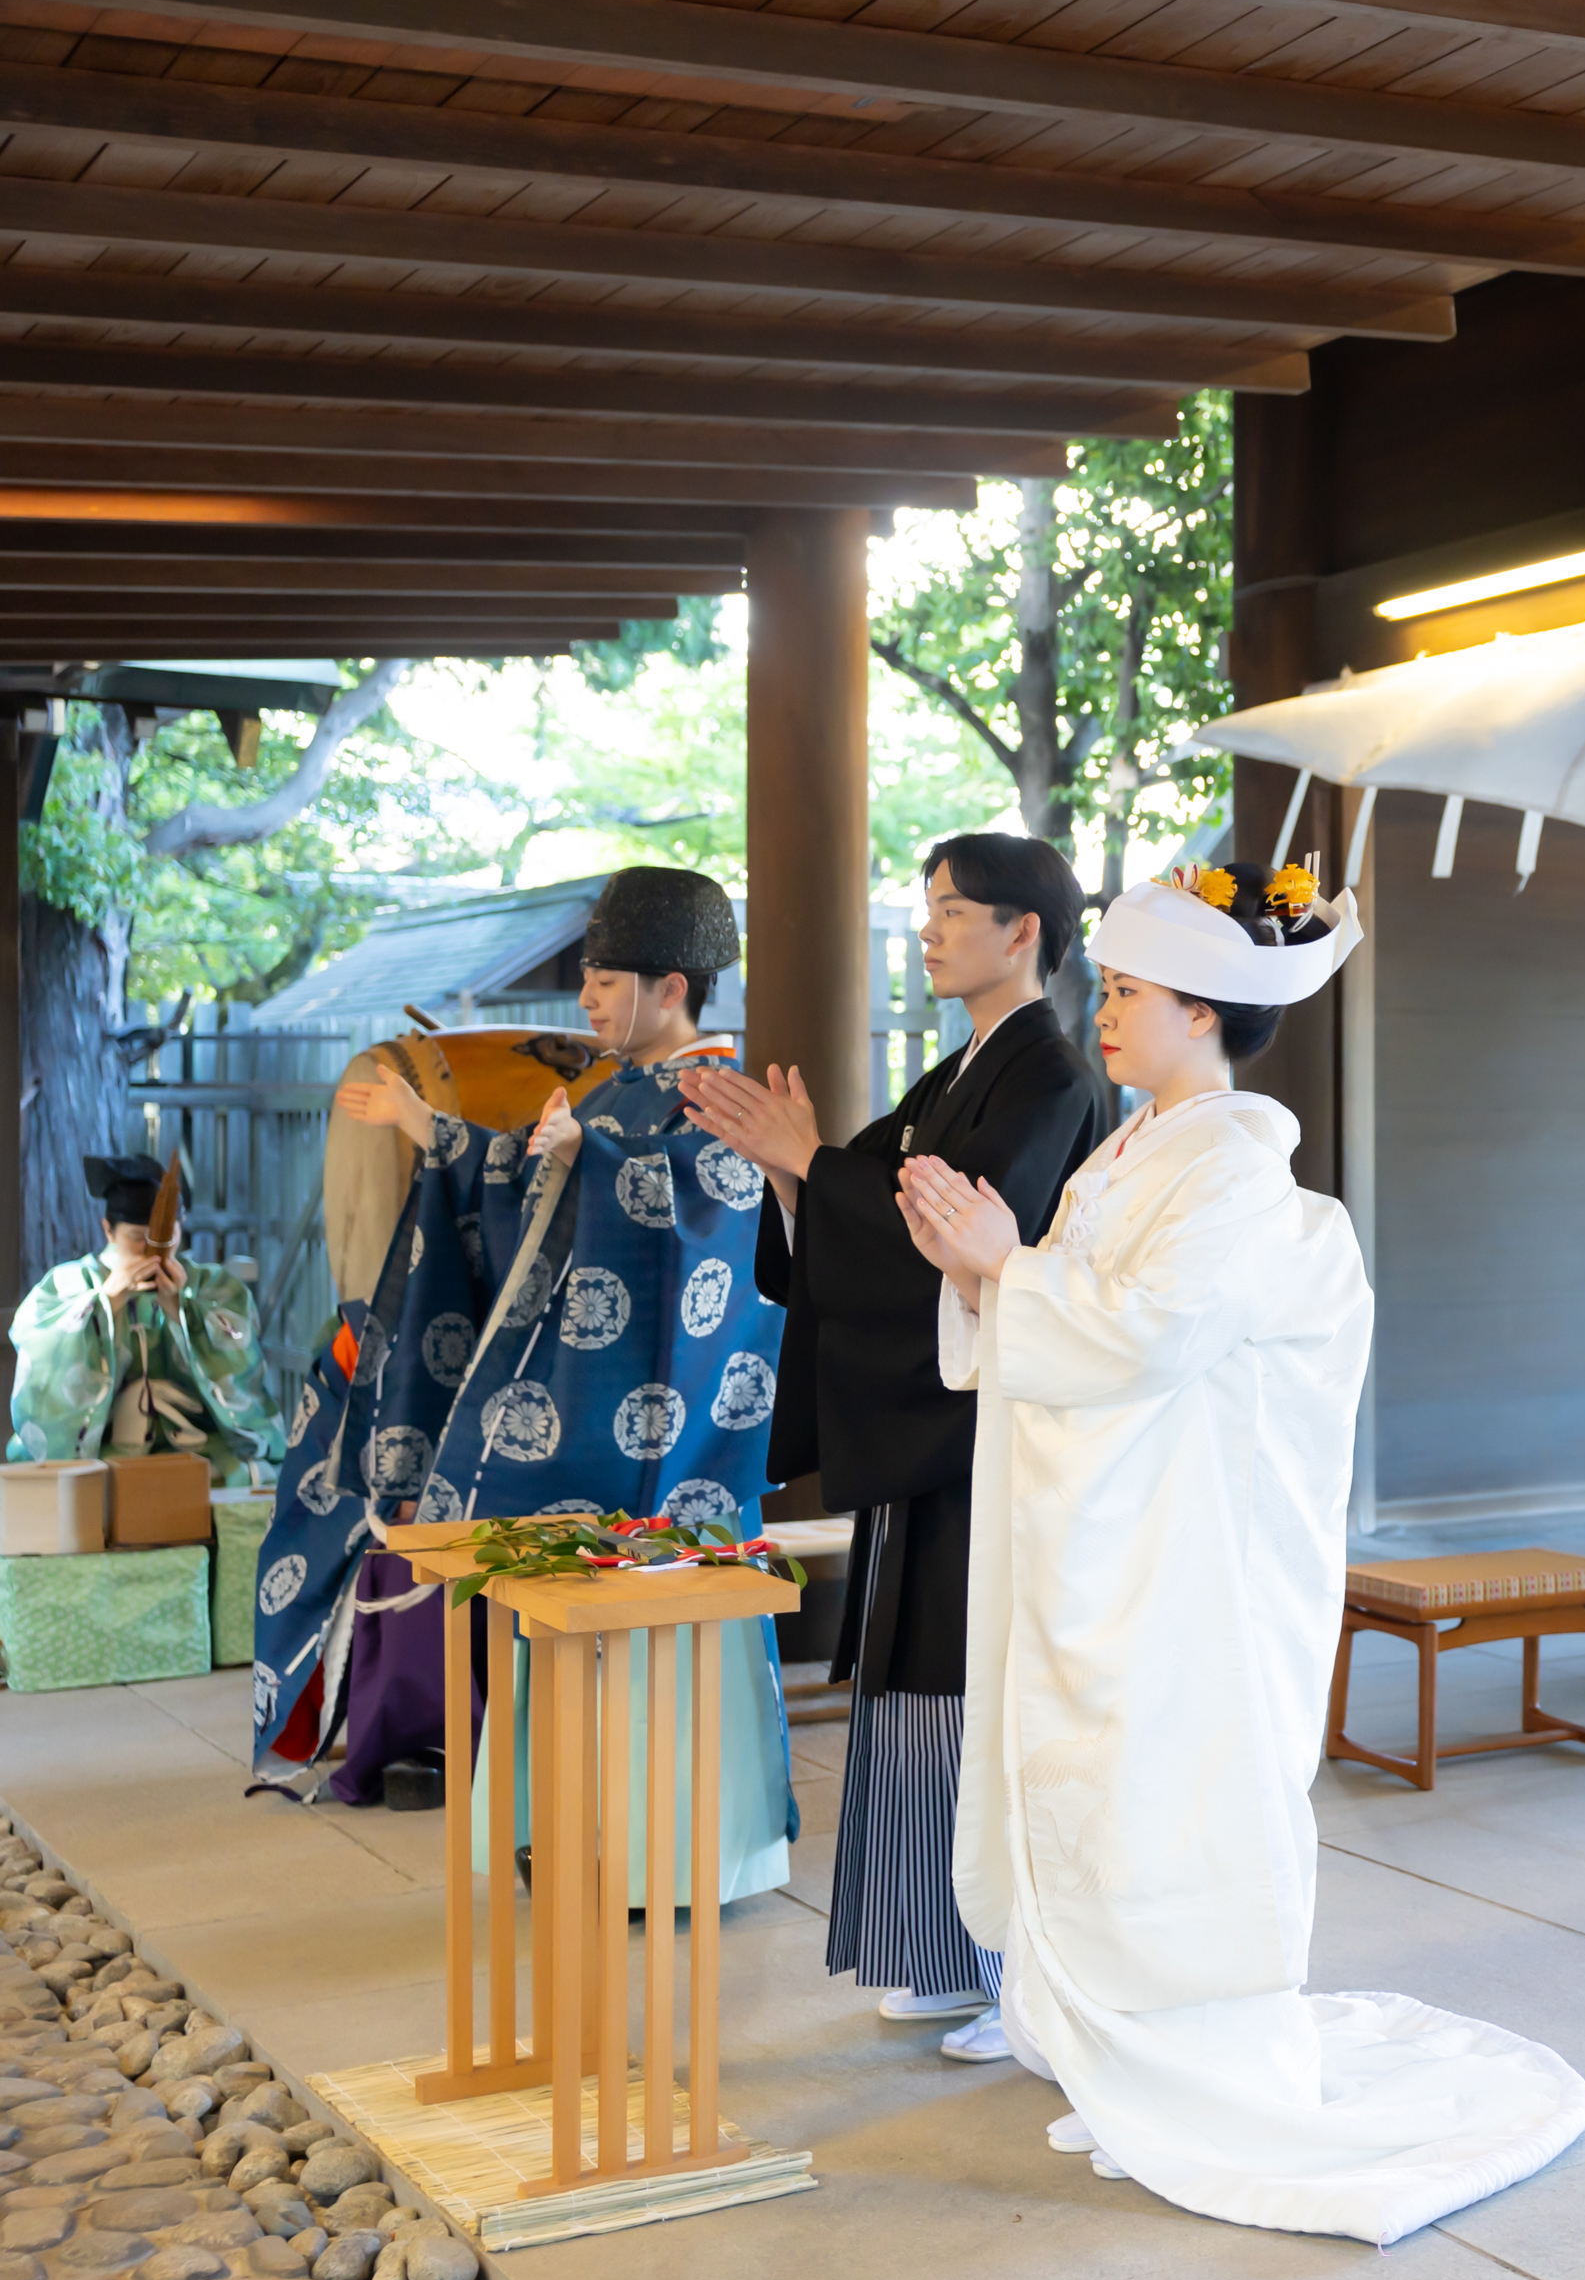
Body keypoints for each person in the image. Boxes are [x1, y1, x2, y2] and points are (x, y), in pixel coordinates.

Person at [898, 862, 1585, 2241]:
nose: (1105, 1012)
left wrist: (1003, 1266)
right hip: (1120, 1525)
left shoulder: (1226, 1162)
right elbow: (1097, 1314)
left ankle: (1182, 2054)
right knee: (1114, 1781)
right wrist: (989, 1270)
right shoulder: (1139, 1147)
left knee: (1164, 1784)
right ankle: (1108, 2038)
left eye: (1134, 992)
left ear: (1204, 1014)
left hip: (1180, 1552)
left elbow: (1150, 1334)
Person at [684, 835, 1112, 2053]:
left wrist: (808, 1167)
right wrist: (797, 1176)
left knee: (972, 1680)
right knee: (919, 1670)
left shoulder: (1052, 1079)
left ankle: (998, 1957)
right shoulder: (958, 1073)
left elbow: (973, 1244)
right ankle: (937, 1941)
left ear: (1023, 931)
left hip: (993, 1428)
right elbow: (858, 1198)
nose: (928, 932)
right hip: (939, 1434)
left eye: (951, 912)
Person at [336, 866, 798, 1903]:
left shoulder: (724, 1088)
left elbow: (712, 1219)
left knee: (636, 1600)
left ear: (670, 986)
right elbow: (529, 1183)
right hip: (598, 1401)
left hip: (673, 1438)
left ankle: (675, 1855)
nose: (586, 1002)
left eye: (603, 981)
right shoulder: (621, 1087)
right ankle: (572, 1834)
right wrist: (435, 1134)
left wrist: (596, 1162)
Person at [10, 1154, 281, 1481]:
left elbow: (242, 1365)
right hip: (102, 1446)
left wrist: (181, 1310)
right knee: (77, 1486)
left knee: (248, 1476)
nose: (152, 1251)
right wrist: (105, 1304)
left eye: (165, 1238)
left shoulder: (212, 1285)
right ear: (108, 1229)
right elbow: (40, 1351)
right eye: (138, 1238)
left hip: (201, 1442)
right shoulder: (68, 1284)